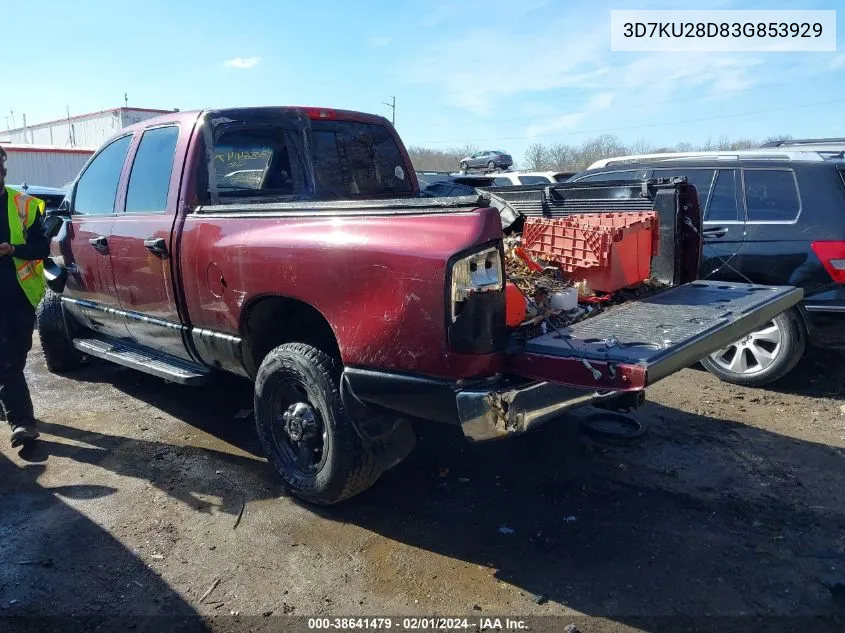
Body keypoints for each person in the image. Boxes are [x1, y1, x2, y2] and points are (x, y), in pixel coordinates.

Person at [0, 145, 49, 447]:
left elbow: (42, 248)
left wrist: (12, 249)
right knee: (5, 360)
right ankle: (23, 423)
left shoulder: (25, 205)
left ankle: (10, 401)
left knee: (16, 354)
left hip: (20, 295)